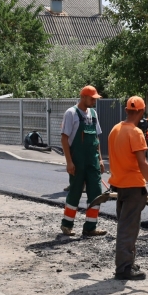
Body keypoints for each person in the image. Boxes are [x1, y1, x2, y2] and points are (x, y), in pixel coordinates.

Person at [108, 96, 148, 281]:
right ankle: (124, 268)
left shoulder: (115, 130)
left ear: (127, 110)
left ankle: (128, 262)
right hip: (134, 187)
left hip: (119, 185)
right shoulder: (136, 133)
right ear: (141, 112)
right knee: (128, 228)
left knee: (125, 226)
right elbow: (143, 164)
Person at [60, 85, 106, 237]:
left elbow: (96, 138)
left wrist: (100, 159)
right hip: (77, 162)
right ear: (83, 97)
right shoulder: (71, 113)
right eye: (92, 98)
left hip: (92, 161)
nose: (94, 101)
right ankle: (67, 225)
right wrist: (69, 162)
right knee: (75, 191)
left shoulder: (93, 113)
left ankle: (90, 227)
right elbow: (64, 139)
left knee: (96, 193)